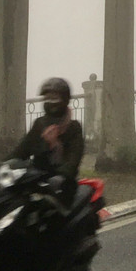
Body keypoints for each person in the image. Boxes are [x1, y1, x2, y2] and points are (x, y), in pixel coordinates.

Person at [14, 77, 84, 205]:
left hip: (62, 184)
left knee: (52, 214)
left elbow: (74, 157)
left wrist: (62, 175)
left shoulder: (73, 127)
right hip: (36, 179)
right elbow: (23, 149)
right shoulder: (39, 124)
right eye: (47, 98)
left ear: (65, 99)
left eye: (54, 98)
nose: (50, 102)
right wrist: (3, 163)